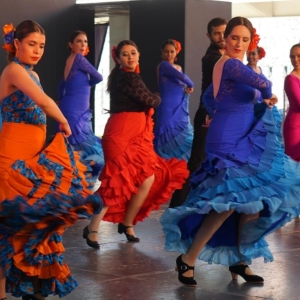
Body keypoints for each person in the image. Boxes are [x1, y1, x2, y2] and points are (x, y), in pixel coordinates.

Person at [161, 16, 300, 287]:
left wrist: (229, 109)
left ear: (251, 42)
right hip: (228, 140)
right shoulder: (231, 63)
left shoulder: (226, 66)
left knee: (251, 201)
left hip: (241, 136)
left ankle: (241, 259)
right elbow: (263, 85)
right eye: (234, 37)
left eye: (245, 39)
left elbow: (208, 97)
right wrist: (265, 90)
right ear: (225, 39)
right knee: (225, 204)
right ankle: (188, 259)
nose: (239, 43)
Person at [0, 21, 102, 300]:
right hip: (12, 156)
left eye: (41, 46)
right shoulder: (14, 70)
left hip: (31, 154)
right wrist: (65, 122)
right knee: (13, 224)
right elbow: (43, 102)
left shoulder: (31, 73)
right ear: (16, 44)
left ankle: (32, 285)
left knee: (29, 222)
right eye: (31, 44)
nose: (37, 50)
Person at [83, 40, 188, 249]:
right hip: (121, 135)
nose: (130, 57)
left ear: (138, 55)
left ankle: (127, 223)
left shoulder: (130, 76)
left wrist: (154, 97)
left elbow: (147, 100)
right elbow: (150, 100)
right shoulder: (127, 77)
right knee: (116, 185)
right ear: (119, 58)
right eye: (125, 54)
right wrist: (158, 96)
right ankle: (92, 228)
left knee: (147, 178)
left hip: (136, 135)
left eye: (133, 53)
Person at [169, 17, 227, 208]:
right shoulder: (213, 58)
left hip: (220, 116)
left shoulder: (224, 56)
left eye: (223, 32)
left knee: (218, 164)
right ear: (208, 35)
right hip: (207, 115)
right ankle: (175, 208)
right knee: (196, 162)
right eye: (216, 33)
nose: (221, 36)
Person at [56, 30, 104, 185]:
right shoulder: (78, 59)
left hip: (71, 108)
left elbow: (61, 85)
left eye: (85, 41)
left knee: (74, 150)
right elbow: (99, 76)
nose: (83, 44)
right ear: (71, 45)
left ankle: (76, 187)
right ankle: (81, 187)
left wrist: (62, 100)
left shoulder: (69, 60)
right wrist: (86, 85)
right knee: (84, 149)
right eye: (79, 41)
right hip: (76, 112)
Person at [154, 39, 194, 161]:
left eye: (172, 51)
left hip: (180, 108)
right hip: (167, 109)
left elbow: (180, 84)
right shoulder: (164, 65)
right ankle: (167, 174)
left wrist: (187, 90)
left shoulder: (178, 67)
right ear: (162, 53)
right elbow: (185, 79)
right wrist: (191, 85)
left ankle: (179, 173)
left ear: (176, 53)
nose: (169, 55)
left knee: (187, 139)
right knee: (166, 142)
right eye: (166, 52)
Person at [283, 43, 300, 161]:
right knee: (294, 168)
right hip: (295, 127)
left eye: (299, 56)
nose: (295, 60)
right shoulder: (290, 79)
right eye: (292, 57)